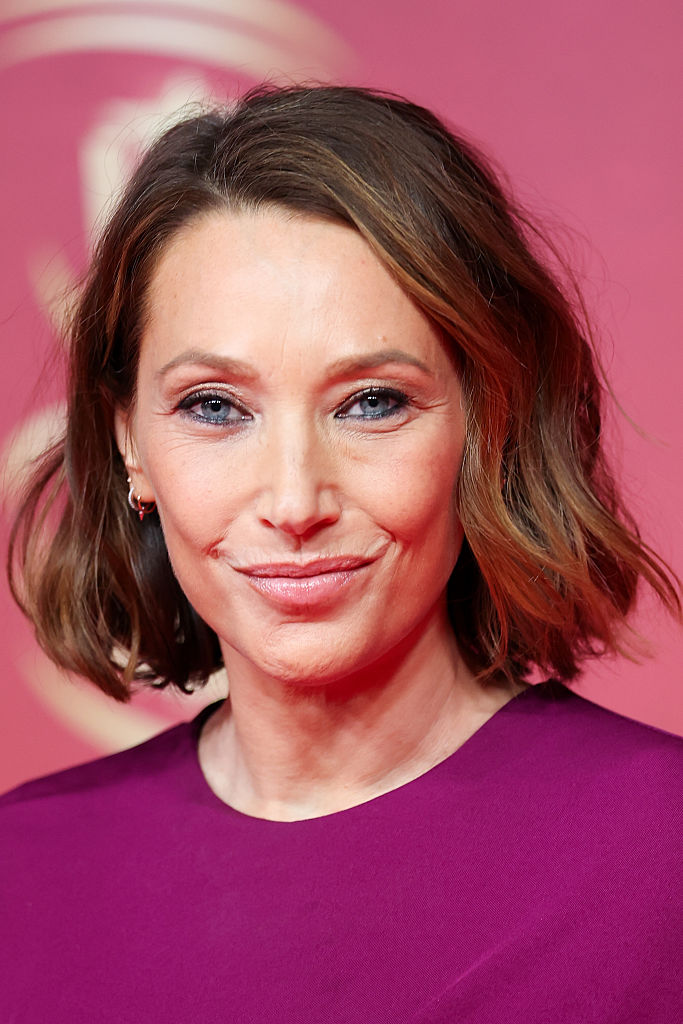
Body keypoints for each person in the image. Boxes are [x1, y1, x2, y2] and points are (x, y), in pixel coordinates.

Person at [1, 84, 681, 1023]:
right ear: (129, 444)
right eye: (213, 407)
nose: (292, 501)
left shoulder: (660, 859)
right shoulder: (23, 869)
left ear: (487, 423)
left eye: (371, 403)